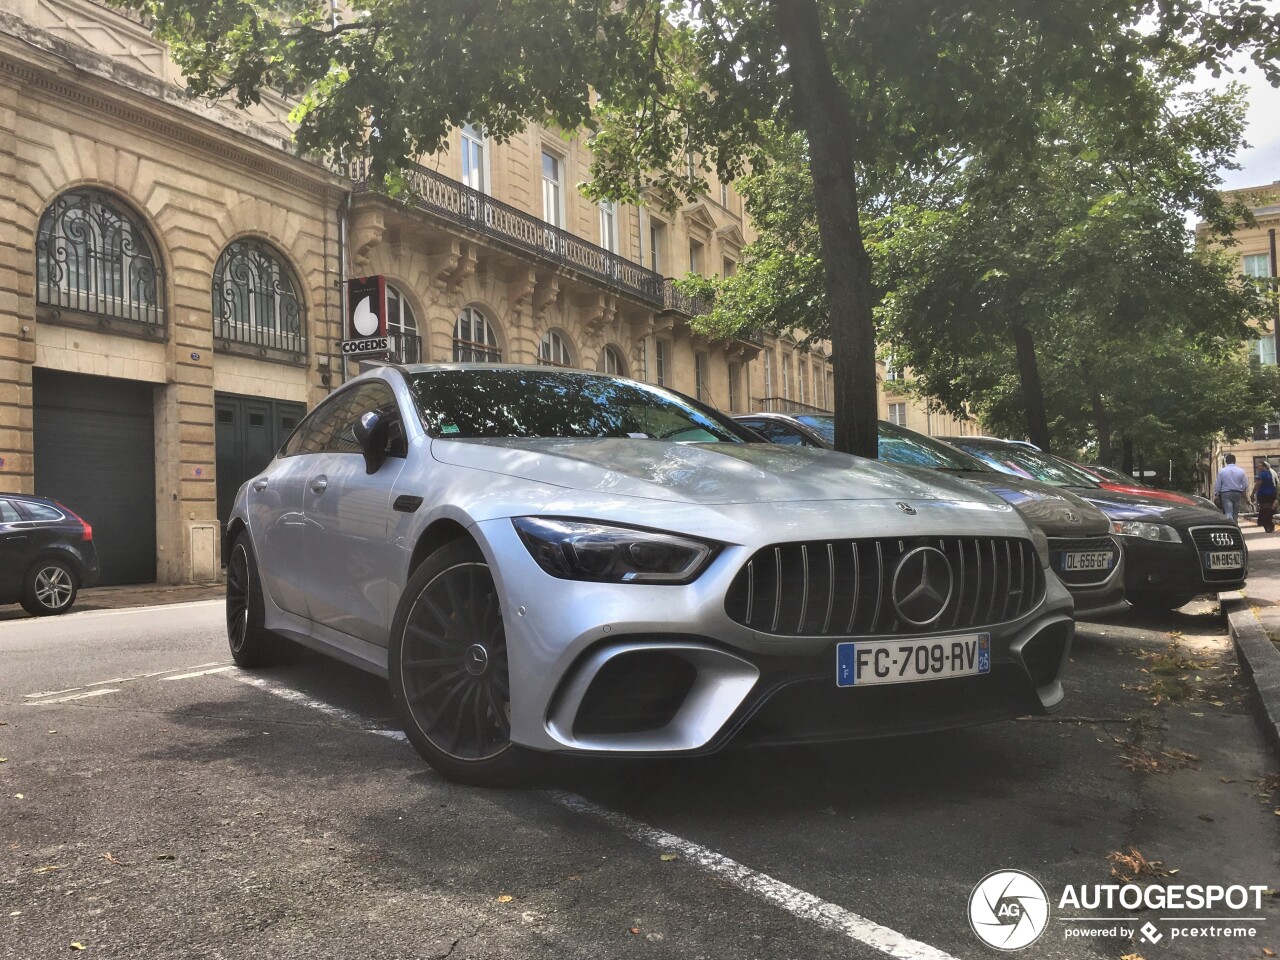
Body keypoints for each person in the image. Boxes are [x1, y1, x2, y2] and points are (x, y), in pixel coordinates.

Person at [1214, 454, 1249, 522]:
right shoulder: (1241, 471)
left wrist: (1217, 493)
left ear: (1226, 461)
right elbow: (1245, 485)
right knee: (1235, 512)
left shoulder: (1222, 471)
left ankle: (1230, 526)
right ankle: (1235, 525)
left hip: (1225, 493)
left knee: (1228, 512)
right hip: (1237, 493)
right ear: (1235, 461)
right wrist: (1240, 489)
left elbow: (1218, 484)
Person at [1253, 460, 1277, 533]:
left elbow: (1258, 484)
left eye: (1260, 466)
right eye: (1258, 466)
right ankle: (1269, 524)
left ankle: (1267, 523)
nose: (1259, 468)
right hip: (1272, 494)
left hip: (1263, 495)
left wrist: (1252, 493)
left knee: (1264, 509)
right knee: (1269, 509)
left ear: (1264, 467)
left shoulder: (1261, 475)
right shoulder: (1272, 473)